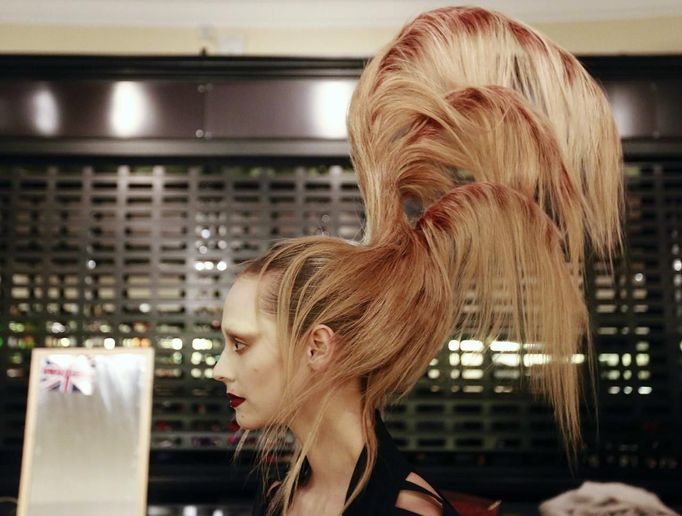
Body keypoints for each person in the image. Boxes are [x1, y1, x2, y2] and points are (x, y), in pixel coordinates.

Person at [212, 5, 624, 516]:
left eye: (239, 344)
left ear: (317, 346)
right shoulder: (283, 498)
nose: (217, 368)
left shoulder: (406, 511)